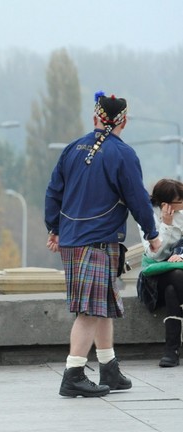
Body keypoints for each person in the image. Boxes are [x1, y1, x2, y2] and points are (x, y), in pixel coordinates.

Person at [45, 91, 161, 398]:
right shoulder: (122, 154)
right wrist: (152, 233)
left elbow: (53, 192)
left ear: (96, 117)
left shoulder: (72, 148)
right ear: (124, 121)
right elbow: (137, 198)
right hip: (97, 241)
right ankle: (73, 373)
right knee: (88, 311)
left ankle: (109, 368)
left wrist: (53, 228)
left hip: (72, 238)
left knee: (104, 306)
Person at [137, 179, 183, 367]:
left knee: (173, 289)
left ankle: (171, 351)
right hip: (155, 278)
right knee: (175, 277)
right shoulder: (148, 217)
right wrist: (167, 225)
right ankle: (171, 351)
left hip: (178, 275)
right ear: (166, 205)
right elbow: (155, 255)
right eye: (180, 202)